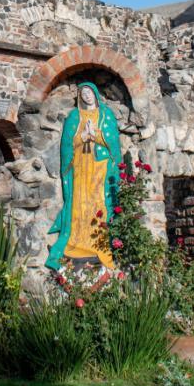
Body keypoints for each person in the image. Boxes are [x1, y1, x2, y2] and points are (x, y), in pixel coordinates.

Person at [46, 82, 122, 270]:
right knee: (80, 202)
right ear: (80, 96)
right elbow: (66, 144)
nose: (87, 96)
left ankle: (99, 243)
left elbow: (112, 141)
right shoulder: (74, 116)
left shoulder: (105, 115)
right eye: (83, 93)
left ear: (95, 94)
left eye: (89, 92)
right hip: (80, 166)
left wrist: (94, 134)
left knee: (98, 202)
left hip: (99, 166)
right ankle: (78, 242)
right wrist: (81, 137)